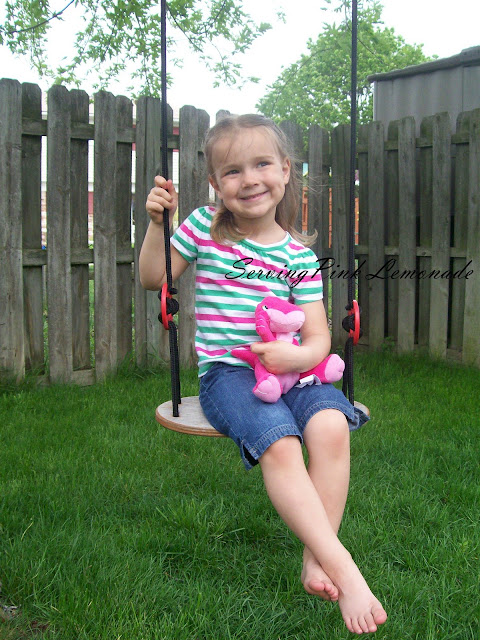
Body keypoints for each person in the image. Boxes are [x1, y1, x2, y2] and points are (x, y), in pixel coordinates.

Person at [139, 114, 387, 635]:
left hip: (292, 371)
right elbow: (153, 278)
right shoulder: (202, 228)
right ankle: (342, 565)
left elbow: (318, 339)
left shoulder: (299, 256)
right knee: (280, 441)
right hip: (228, 374)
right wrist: (159, 224)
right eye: (232, 171)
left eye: (261, 165)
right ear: (215, 183)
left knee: (331, 426)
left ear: (285, 170)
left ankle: (315, 559)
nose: (249, 179)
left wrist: (295, 359)